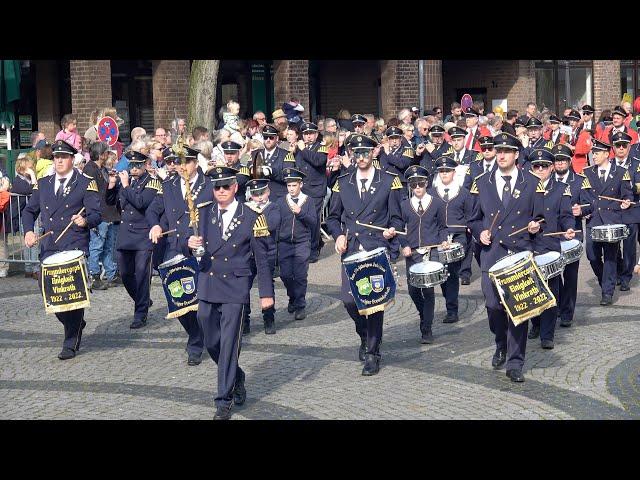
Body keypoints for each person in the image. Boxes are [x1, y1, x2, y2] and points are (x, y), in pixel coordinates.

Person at [187, 166, 275, 420]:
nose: (221, 191)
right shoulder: (203, 213)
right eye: (217, 187)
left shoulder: (252, 215)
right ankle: (236, 375)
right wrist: (189, 243)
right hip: (208, 281)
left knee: (228, 343)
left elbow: (262, 258)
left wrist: (266, 294)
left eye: (226, 186)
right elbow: (190, 241)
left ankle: (223, 399)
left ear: (235, 187)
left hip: (236, 286)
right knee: (209, 337)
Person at [468, 132, 545, 383]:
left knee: (518, 309)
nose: (500, 155)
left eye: (505, 151)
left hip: (519, 252)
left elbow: (541, 217)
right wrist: (481, 233)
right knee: (493, 306)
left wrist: (535, 225)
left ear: (516, 155)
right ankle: (500, 342)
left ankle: (515, 361)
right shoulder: (481, 181)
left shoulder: (532, 182)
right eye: (496, 150)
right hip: (493, 254)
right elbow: (473, 218)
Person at [325, 135, 404, 376]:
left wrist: (392, 231)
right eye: (356, 153)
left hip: (376, 247)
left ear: (374, 153)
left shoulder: (389, 181)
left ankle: (373, 352)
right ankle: (364, 333)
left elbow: (397, 217)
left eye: (365, 153)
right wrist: (338, 234)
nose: (360, 158)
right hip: (351, 248)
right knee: (350, 301)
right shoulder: (343, 181)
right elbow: (332, 217)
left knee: (373, 303)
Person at [21, 140, 101, 359]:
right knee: (49, 291)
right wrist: (29, 231)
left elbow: (96, 214)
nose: (59, 160)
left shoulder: (85, 182)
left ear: (72, 159)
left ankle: (70, 341)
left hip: (74, 244)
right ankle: (75, 324)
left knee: (71, 291)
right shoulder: (44, 183)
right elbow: (29, 211)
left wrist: (84, 221)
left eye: (63, 157)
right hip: (50, 244)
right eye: (56, 157)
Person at [147, 145, 208, 365]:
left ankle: (206, 336)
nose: (183, 167)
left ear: (196, 163)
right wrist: (154, 225)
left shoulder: (208, 185)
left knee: (202, 299)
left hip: (201, 246)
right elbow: (153, 209)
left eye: (187, 162)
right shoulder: (169, 184)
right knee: (178, 299)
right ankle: (195, 336)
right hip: (174, 247)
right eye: (179, 163)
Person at [526, 149, 576, 349]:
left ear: (552, 167)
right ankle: (536, 324)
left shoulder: (561, 188)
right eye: (536, 166)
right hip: (529, 245)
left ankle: (548, 334)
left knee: (551, 289)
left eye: (544, 166)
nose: (540, 169)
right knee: (531, 289)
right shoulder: (524, 188)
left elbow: (565, 215)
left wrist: (569, 227)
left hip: (550, 246)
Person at [106, 150, 160, 328]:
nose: (134, 169)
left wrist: (126, 185)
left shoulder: (151, 183)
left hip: (143, 234)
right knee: (126, 274)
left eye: (137, 165)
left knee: (142, 274)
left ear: (145, 165)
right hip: (126, 234)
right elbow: (112, 203)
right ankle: (141, 299)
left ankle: (140, 313)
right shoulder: (125, 182)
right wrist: (112, 186)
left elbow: (140, 203)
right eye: (131, 165)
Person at [576, 137, 633, 305]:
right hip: (594, 221)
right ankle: (604, 281)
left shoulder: (621, 172)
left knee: (610, 257)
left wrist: (626, 202)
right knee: (592, 256)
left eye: (598, 153)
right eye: (593, 152)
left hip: (612, 221)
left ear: (607, 154)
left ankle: (607, 292)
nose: (594, 156)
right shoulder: (586, 173)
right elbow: (584, 199)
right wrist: (582, 210)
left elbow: (627, 195)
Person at [399, 164, 448, 344]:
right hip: (412, 253)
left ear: (426, 183)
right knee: (413, 290)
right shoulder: (404, 205)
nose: (418, 188)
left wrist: (443, 239)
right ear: (410, 186)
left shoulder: (437, 203)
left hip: (431, 252)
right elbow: (399, 229)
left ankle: (426, 328)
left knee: (428, 291)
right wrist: (403, 245)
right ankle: (423, 315)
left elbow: (443, 227)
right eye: (414, 184)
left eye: (420, 183)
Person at [429, 158, 474, 324]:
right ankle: (450, 304)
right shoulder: (432, 193)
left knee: (452, 273)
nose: (444, 174)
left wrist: (469, 230)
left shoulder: (463, 193)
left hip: (458, 236)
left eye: (447, 171)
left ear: (454, 173)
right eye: (441, 171)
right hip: (438, 237)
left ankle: (452, 310)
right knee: (442, 274)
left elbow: (471, 216)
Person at [550, 143, 585, 327]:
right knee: (554, 274)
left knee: (570, 275)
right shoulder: (546, 180)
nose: (560, 164)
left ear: (569, 161)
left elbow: (590, 203)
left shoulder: (579, 180)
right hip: (553, 235)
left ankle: (567, 313)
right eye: (557, 160)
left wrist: (581, 210)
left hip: (572, 235)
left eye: (563, 160)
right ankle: (557, 306)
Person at [276, 168, 317, 321]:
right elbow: (277, 222)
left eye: (294, 185)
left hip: (302, 243)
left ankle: (300, 305)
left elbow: (314, 222)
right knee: (285, 275)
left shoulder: (308, 200)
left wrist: (301, 213)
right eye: (289, 186)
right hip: (285, 243)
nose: (291, 189)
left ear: (301, 184)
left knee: (300, 276)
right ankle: (292, 296)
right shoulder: (281, 201)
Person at [243, 178, 281, 334]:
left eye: (261, 193)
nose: (258, 197)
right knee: (243, 286)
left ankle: (269, 317)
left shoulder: (273, 207)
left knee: (266, 284)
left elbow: (271, 225)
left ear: (268, 192)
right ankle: (244, 319)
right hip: (248, 254)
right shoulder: (245, 208)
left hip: (267, 252)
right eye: (255, 194)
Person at [83, 142, 122, 289]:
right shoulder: (90, 170)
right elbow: (93, 193)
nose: (108, 155)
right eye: (106, 153)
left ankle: (112, 274)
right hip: (99, 213)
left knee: (108, 246)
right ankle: (94, 276)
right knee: (97, 246)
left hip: (108, 212)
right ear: (100, 155)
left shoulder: (103, 169)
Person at [292, 121, 328, 263]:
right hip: (303, 189)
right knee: (303, 219)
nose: (308, 137)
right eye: (306, 134)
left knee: (313, 220)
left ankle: (313, 250)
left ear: (316, 134)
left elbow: (318, 161)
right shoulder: (299, 148)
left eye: (311, 134)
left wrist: (303, 150)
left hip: (316, 188)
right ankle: (315, 242)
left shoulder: (321, 147)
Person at [609, 131, 639, 291]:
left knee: (628, 245)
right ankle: (618, 270)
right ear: (613, 148)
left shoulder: (636, 163)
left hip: (632, 208)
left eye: (624, 145)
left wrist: (628, 189)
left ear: (629, 147)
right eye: (617, 145)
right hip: (613, 209)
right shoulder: (609, 164)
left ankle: (626, 275)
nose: (621, 148)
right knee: (613, 244)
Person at [248, 125, 293, 202]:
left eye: (271, 138)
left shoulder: (286, 154)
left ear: (277, 139)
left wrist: (272, 171)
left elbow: (288, 176)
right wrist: (252, 170)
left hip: (278, 197)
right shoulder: (255, 153)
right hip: (258, 195)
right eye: (265, 137)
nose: (268, 140)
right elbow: (248, 169)